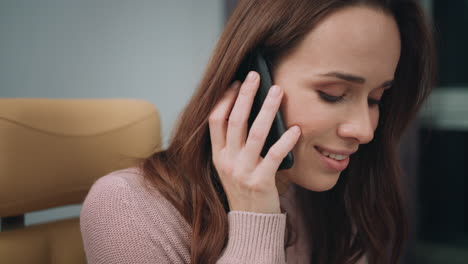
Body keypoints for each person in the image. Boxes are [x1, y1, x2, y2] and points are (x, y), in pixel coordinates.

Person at [80, 0, 436, 263]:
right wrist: (255, 220)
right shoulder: (127, 208)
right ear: (251, 78)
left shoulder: (321, 194)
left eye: (376, 99)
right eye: (333, 94)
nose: (364, 130)